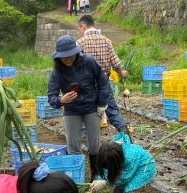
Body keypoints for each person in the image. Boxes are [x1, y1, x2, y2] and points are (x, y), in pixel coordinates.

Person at [47, 35, 129, 181]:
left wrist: (102, 102)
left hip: (92, 107)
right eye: (64, 57)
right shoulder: (57, 72)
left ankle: (95, 174)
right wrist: (61, 100)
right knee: (73, 145)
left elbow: (103, 82)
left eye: (71, 55)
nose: (68, 59)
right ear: (58, 58)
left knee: (94, 143)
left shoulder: (89, 62)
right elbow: (51, 98)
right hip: (72, 110)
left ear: (76, 52)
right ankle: (77, 177)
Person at [90, 133, 156, 193]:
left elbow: (125, 178)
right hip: (130, 168)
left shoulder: (129, 157)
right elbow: (106, 169)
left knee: (128, 191)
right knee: (116, 190)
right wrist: (100, 179)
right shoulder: (108, 153)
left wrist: (106, 182)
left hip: (145, 167)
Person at [77, 15, 129, 81]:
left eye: (79, 29)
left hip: (87, 84)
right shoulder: (107, 41)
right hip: (104, 82)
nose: (80, 32)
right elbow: (116, 65)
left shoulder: (79, 43)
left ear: (83, 27)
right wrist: (121, 74)